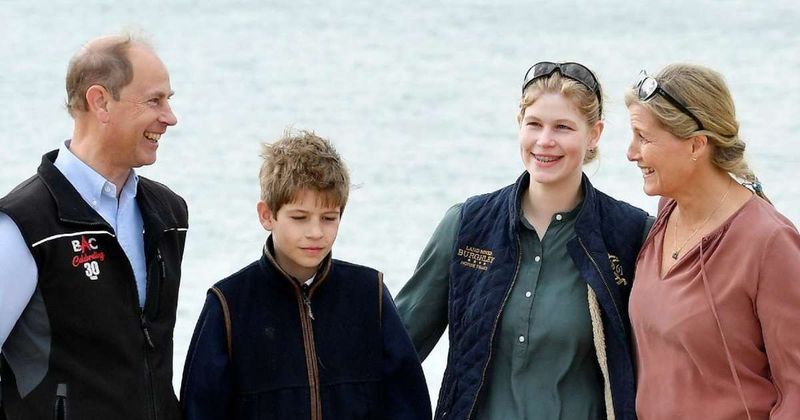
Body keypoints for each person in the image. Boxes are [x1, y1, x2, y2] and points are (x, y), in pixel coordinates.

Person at [396, 62, 652, 420]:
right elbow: (393, 351)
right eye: (534, 124)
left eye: (563, 127)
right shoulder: (466, 225)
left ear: (594, 134)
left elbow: (668, 361)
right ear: (519, 124)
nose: (545, 141)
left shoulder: (632, 234)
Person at [180, 130, 431, 419]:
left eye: (329, 218)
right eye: (299, 218)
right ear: (267, 215)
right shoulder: (227, 304)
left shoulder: (369, 293)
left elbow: (409, 403)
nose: (316, 232)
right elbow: (200, 410)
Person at [0, 34, 184, 420]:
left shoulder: (169, 215)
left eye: (168, 100)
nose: (170, 117)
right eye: (154, 100)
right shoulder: (23, 225)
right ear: (100, 101)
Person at [626, 63, 800, 419]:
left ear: (696, 145)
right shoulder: (667, 210)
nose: (631, 152)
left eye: (643, 138)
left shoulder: (771, 243)